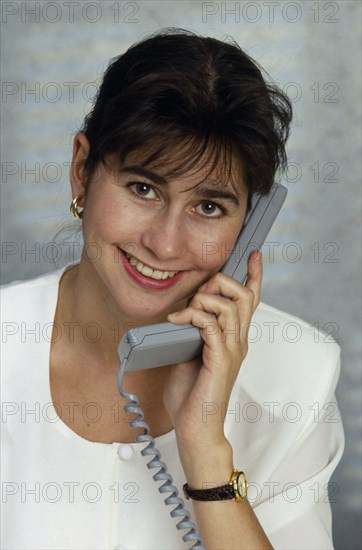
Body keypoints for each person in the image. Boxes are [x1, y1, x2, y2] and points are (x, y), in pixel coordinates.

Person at [1, 28, 344, 550]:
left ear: (250, 223)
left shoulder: (301, 374)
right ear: (80, 171)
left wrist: (206, 453)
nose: (164, 244)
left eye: (209, 207)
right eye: (143, 188)